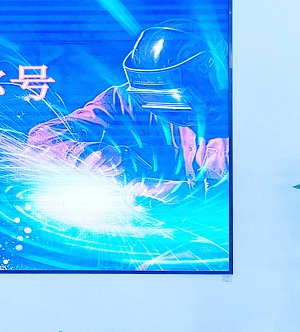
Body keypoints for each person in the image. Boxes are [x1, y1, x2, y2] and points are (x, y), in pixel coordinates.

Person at [27, 19, 229, 202]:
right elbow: (42, 137)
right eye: (150, 96)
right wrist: (85, 157)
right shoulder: (127, 100)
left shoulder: (240, 119)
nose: (160, 107)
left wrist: (188, 196)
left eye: (169, 95)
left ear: (208, 76)